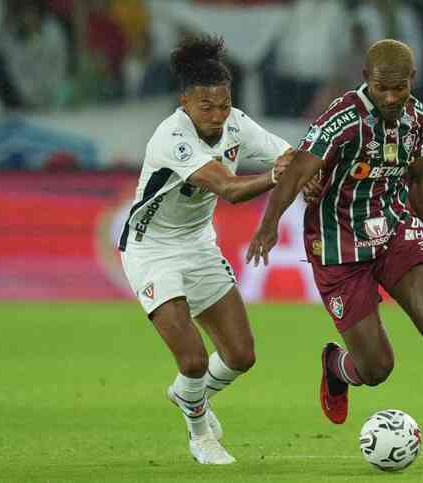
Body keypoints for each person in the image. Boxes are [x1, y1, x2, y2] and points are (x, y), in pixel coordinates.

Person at [246, 39, 423, 471]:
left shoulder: (417, 118)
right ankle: (336, 367)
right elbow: (298, 173)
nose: (392, 97)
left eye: (399, 88)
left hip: (394, 231)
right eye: (383, 88)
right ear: (366, 80)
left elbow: (417, 180)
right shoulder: (341, 121)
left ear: (411, 82)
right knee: (377, 368)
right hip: (339, 248)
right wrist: (268, 226)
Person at [118, 34, 293, 465]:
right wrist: (278, 176)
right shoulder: (171, 137)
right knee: (193, 359)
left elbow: (288, 153)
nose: (216, 116)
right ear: (184, 103)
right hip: (152, 250)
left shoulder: (236, 123)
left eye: (223, 105)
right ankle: (201, 437)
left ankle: (187, 397)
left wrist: (302, 168)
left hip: (198, 245)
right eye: (206, 107)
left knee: (240, 355)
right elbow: (230, 189)